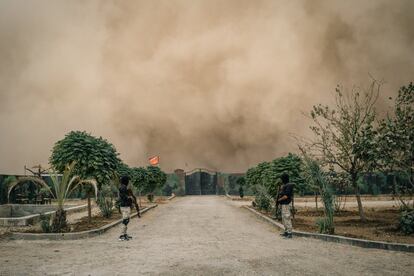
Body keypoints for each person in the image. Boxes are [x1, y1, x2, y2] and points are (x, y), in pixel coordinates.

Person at [118, 176, 140, 241]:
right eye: (127, 180)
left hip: (125, 206)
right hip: (124, 206)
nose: (128, 182)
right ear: (125, 181)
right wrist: (130, 198)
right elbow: (124, 197)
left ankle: (124, 234)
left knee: (126, 220)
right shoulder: (123, 187)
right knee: (125, 220)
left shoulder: (123, 187)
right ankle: (122, 236)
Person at [277, 173, 294, 239]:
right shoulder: (285, 185)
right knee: (284, 218)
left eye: (282, 179)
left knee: (287, 217)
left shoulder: (289, 186)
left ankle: (289, 233)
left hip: (286, 204)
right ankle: (286, 231)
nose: (281, 180)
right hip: (284, 204)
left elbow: (286, 196)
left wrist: (279, 200)